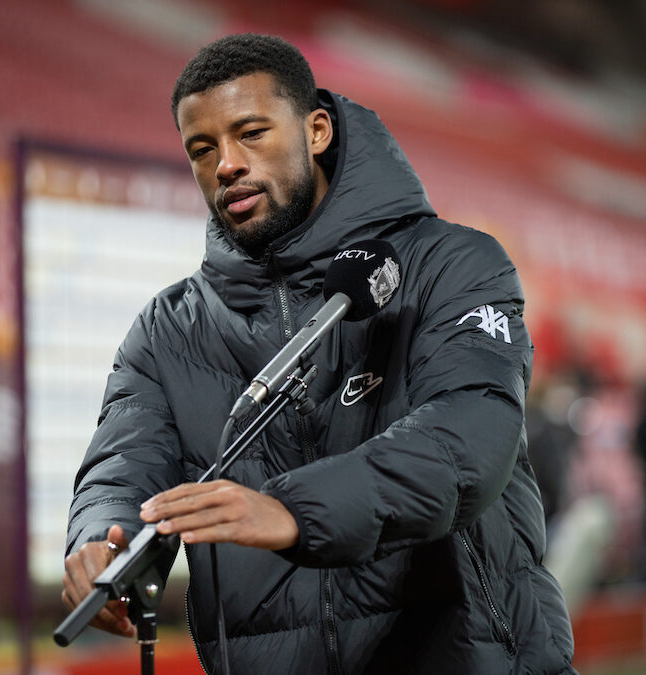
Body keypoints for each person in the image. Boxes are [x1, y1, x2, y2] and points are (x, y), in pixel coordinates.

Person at [62, 33, 576, 674]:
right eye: (203, 148)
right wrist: (100, 544)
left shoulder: (451, 264)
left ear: (317, 131)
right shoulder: (167, 331)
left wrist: (294, 512)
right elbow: (123, 467)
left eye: (251, 133)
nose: (226, 163)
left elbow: (471, 436)